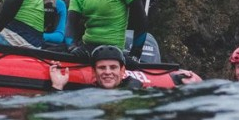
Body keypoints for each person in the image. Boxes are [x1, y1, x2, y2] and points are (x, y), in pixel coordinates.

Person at [49, 45, 201, 91]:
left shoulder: (135, 88)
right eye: (102, 68)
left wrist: (183, 90)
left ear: (122, 71)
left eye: (113, 67)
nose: (108, 72)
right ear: (94, 72)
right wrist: (57, 85)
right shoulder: (86, 91)